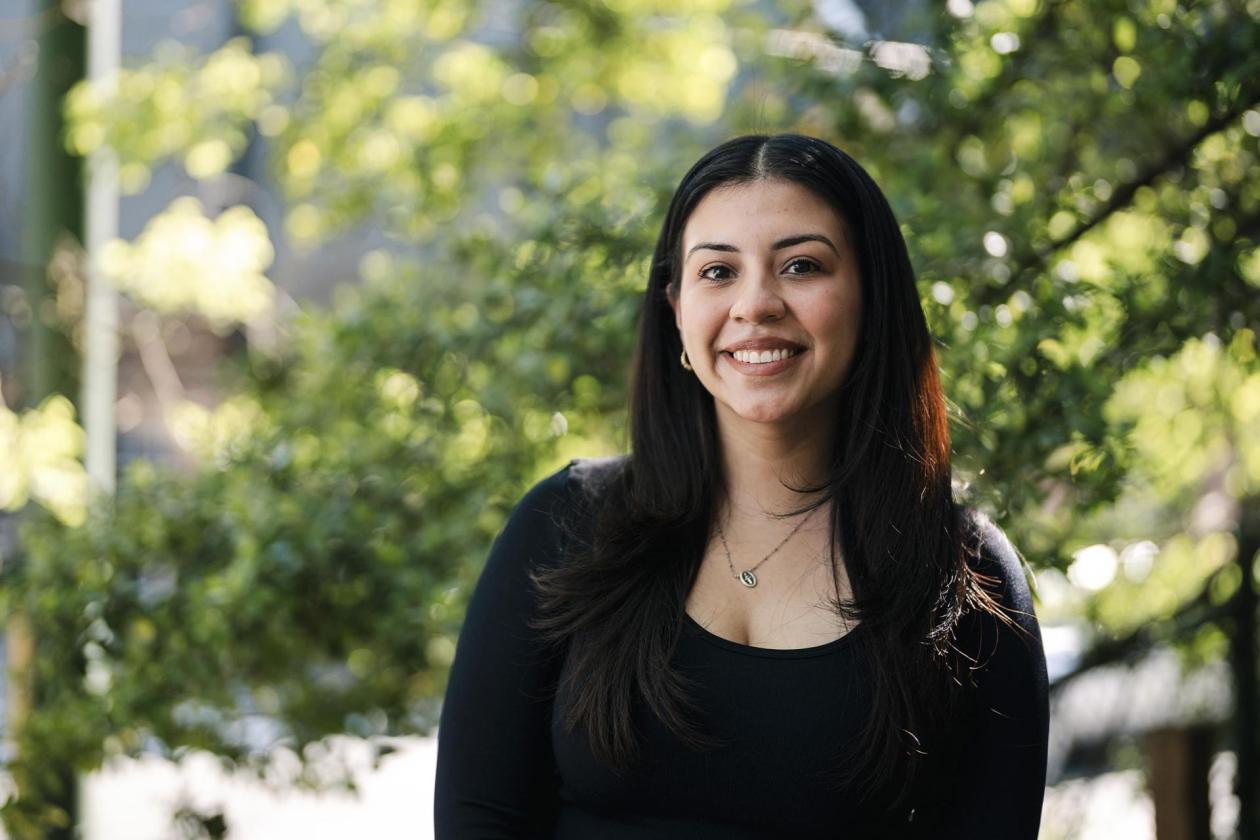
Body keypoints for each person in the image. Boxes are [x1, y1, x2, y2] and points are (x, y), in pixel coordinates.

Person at [434, 134, 1049, 839]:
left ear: (872, 298)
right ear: (675, 313)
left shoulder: (965, 578)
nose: (756, 303)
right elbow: (481, 818)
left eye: (800, 265)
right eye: (718, 272)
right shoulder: (566, 525)